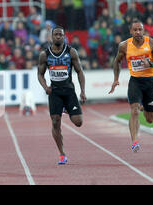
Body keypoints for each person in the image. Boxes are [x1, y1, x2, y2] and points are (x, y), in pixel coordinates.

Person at [109, 20, 153, 152]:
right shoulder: (124, 46)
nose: (138, 32)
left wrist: (151, 64)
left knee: (149, 119)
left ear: (143, 30)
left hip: (149, 82)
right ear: (131, 32)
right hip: (135, 81)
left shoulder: (151, 43)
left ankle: (143, 106)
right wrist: (116, 79)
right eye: (135, 30)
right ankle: (135, 141)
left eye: (140, 29)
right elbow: (117, 61)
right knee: (134, 110)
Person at [37, 26, 86, 165]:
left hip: (69, 90)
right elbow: (40, 74)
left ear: (64, 37)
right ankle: (62, 153)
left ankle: (67, 108)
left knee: (78, 122)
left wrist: (82, 91)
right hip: (55, 92)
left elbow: (80, 71)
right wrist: (45, 87)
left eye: (61, 35)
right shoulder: (44, 54)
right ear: (51, 37)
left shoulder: (71, 52)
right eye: (56, 34)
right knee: (55, 121)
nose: (58, 37)